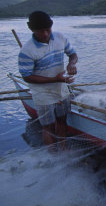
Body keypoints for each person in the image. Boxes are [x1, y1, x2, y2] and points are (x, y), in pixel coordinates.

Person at [18, 11, 78, 151]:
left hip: (61, 89)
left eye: (47, 29)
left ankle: (62, 148)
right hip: (43, 94)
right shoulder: (27, 51)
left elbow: (73, 54)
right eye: (40, 31)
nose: (45, 34)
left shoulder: (60, 38)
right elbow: (26, 76)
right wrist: (54, 79)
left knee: (62, 121)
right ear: (31, 29)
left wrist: (72, 64)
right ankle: (52, 154)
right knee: (48, 126)